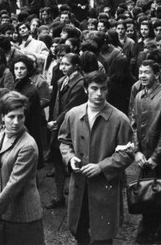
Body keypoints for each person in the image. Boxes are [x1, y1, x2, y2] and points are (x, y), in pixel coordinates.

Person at [58, 71, 135, 243]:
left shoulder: (119, 119)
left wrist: (102, 166)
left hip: (104, 187)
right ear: (85, 90)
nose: (99, 94)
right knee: (79, 230)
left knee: (102, 236)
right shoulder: (73, 114)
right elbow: (64, 140)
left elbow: (127, 153)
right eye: (94, 88)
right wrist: (69, 157)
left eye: (103, 89)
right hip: (79, 185)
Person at [130, 60, 161, 243]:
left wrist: (155, 158)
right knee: (148, 198)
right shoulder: (139, 95)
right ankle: (149, 233)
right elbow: (133, 124)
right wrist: (137, 151)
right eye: (140, 72)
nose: (142, 75)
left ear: (157, 75)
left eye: (147, 72)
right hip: (145, 158)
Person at [0, 92, 44, 245]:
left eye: (21, 117)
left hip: (23, 216)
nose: (16, 122)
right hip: (4, 212)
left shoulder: (27, 145)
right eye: (11, 116)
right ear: (2, 117)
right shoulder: (3, 136)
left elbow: (15, 183)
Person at [47, 52, 86, 209]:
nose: (62, 67)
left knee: (74, 160)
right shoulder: (62, 80)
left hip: (70, 126)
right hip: (60, 125)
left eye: (66, 64)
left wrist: (56, 122)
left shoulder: (79, 83)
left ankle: (76, 197)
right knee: (57, 161)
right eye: (61, 63)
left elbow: (71, 107)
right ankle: (59, 196)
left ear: (76, 66)